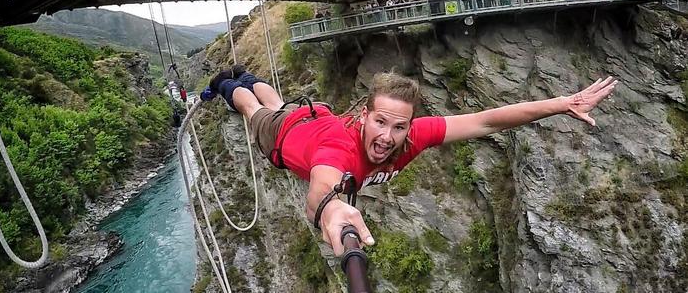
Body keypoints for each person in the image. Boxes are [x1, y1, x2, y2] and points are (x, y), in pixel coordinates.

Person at [200, 66, 617, 256]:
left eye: (398, 127)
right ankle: (229, 82)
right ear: (364, 116)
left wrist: (562, 103)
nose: (387, 137)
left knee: (281, 101)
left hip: (312, 114)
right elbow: (321, 191)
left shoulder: (414, 134)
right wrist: (330, 210)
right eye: (379, 122)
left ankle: (247, 76)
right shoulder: (338, 149)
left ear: (410, 125)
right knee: (255, 109)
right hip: (285, 136)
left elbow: (487, 121)